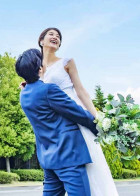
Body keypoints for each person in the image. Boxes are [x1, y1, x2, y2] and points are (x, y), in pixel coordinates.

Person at [38, 27, 118, 196]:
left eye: (58, 36)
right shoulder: (35, 69)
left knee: (88, 163)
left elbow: (81, 91)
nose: (55, 37)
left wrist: (97, 119)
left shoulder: (66, 62)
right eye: (51, 34)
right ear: (41, 41)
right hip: (53, 122)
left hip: (75, 115)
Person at [16, 48, 98, 196]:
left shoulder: (24, 95)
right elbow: (77, 112)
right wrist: (100, 128)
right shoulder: (48, 90)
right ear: (41, 68)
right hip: (68, 155)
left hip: (48, 158)